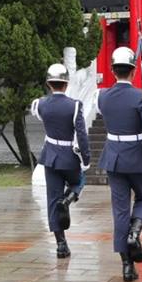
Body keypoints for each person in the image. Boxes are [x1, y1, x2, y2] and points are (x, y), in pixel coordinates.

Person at [97, 47, 142, 282]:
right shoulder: (141, 97)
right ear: (133, 71)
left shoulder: (102, 96)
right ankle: (135, 232)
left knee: (120, 211)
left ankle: (126, 265)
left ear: (113, 70)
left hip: (114, 157)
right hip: (137, 156)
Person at [32, 63, 91, 259]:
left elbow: (41, 116)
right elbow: (81, 135)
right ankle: (67, 200)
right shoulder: (74, 105)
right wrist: (86, 159)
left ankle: (61, 245)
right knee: (78, 181)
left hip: (50, 156)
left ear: (49, 84)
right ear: (66, 83)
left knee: (52, 200)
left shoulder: (40, 104)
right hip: (68, 156)